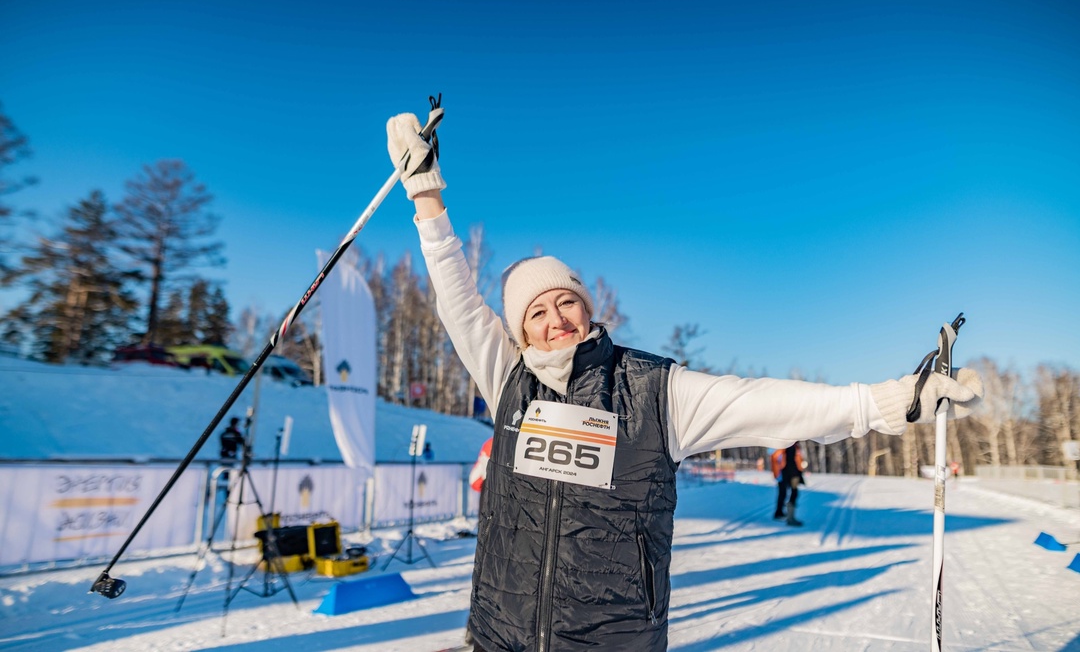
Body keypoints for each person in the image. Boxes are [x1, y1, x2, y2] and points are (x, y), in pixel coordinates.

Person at [386, 108, 984, 652]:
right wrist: (426, 195)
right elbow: (458, 300)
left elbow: (766, 405)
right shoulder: (510, 378)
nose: (554, 320)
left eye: (565, 302)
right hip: (500, 639)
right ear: (520, 332)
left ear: (588, 311)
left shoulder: (650, 390)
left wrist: (894, 399)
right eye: (535, 313)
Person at [771, 442, 806, 526]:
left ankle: (782, 513)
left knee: (785, 493)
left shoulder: (792, 445)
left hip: (789, 474)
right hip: (788, 474)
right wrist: (795, 475)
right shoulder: (787, 445)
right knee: (791, 494)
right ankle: (789, 518)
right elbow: (787, 461)